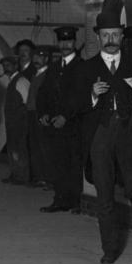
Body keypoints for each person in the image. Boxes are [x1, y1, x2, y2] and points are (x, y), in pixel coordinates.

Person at [75, 9, 132, 264]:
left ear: (122, 37)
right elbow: (73, 105)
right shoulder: (87, 68)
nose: (111, 39)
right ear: (98, 37)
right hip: (100, 135)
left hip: (128, 134)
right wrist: (92, 95)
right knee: (104, 195)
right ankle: (110, 249)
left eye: (115, 34)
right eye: (106, 35)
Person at [37, 26, 84, 214]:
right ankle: (60, 199)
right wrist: (43, 113)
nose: (65, 45)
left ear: (74, 43)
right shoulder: (54, 68)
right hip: (54, 125)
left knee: (73, 163)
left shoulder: (81, 66)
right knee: (58, 163)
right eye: (62, 41)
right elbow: (44, 93)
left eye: (69, 41)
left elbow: (80, 97)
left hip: (73, 125)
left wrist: (66, 116)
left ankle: (76, 201)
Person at [25, 44, 53, 188]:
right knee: (35, 146)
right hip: (32, 113)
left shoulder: (48, 75)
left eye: (40, 57)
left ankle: (48, 178)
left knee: (44, 146)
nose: (36, 60)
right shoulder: (35, 74)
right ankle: (40, 176)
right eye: (34, 57)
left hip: (41, 114)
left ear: (46, 59)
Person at [1, 54, 31, 185]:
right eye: (4, 66)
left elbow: (28, 103)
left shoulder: (21, 81)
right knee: (13, 149)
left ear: (16, 66)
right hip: (12, 124)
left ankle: (22, 176)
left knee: (20, 150)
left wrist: (22, 121)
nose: (5, 68)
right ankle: (15, 174)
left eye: (8, 65)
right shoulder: (12, 81)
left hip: (20, 124)